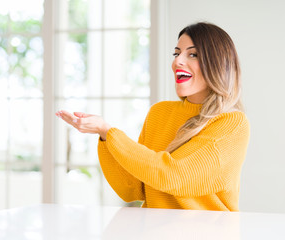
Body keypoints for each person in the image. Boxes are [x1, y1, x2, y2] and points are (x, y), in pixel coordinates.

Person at [56, 22, 250, 211]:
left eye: (193, 54)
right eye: (177, 53)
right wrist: (105, 136)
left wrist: (109, 131)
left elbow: (174, 176)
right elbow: (132, 189)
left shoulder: (231, 123)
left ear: (218, 63)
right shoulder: (160, 113)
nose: (177, 61)